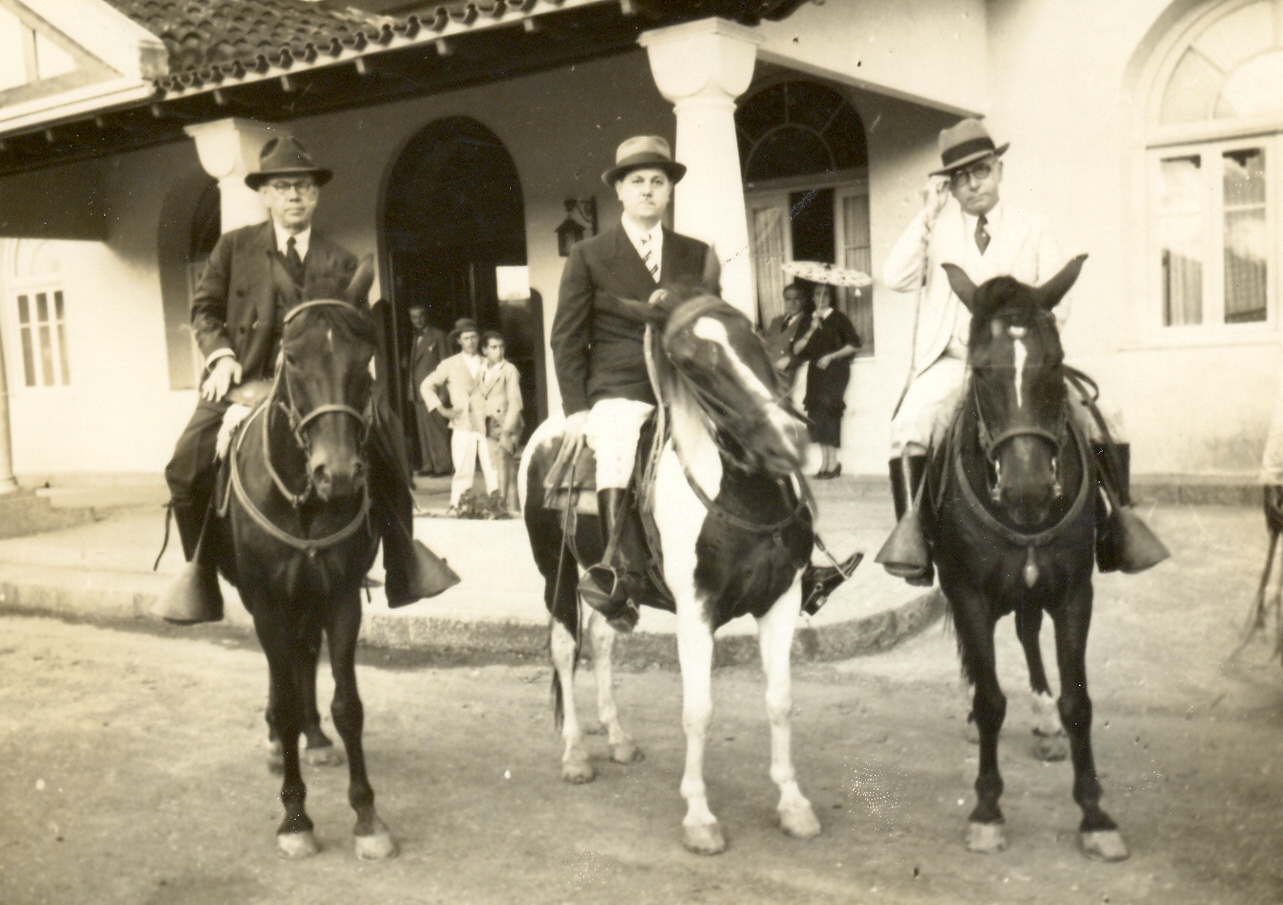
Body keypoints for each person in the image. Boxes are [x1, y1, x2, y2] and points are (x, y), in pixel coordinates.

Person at [161, 134, 448, 618]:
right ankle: (202, 572)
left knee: (389, 442)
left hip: (319, 390)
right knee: (186, 467)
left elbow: (355, 329)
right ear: (266, 195)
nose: (294, 195)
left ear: (316, 195)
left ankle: (402, 563)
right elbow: (205, 310)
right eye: (283, 186)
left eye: (304, 187)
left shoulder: (339, 262)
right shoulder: (233, 249)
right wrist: (222, 356)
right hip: (243, 385)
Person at [879, 118, 1161, 584]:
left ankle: (1118, 526)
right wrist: (926, 215)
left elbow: (1058, 299)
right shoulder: (937, 231)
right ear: (948, 187)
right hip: (955, 362)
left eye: (982, 171)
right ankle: (915, 539)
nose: (973, 185)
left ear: (999, 171)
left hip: (1026, 361)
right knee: (908, 425)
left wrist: (1029, 348)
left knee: (1106, 415)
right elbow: (895, 278)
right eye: (960, 178)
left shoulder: (1034, 227)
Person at [550, 135, 720, 631]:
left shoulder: (695, 253)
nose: (648, 190)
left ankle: (797, 557)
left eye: (658, 181)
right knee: (619, 445)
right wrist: (578, 408)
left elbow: (710, 324)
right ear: (619, 192)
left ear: (669, 193)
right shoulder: (588, 254)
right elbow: (566, 338)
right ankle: (615, 571)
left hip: (689, 385)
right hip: (622, 385)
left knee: (751, 431)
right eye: (637, 181)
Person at [420, 318, 498, 514]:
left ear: (479, 339)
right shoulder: (449, 364)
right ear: (458, 341)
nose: (470, 342)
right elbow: (426, 386)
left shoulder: (489, 361)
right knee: (463, 469)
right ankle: (459, 508)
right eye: (466, 338)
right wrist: (442, 409)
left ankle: (497, 505)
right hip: (462, 423)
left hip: (487, 423)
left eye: (473, 337)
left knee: (493, 468)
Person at [792, 282, 860, 478]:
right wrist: (811, 330)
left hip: (835, 370)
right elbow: (797, 349)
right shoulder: (808, 320)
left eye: (825, 294)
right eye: (817, 294)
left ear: (830, 298)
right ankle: (825, 464)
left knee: (829, 411)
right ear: (812, 298)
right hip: (816, 371)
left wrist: (832, 356)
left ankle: (833, 464)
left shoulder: (838, 318)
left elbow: (854, 345)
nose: (821, 297)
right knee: (816, 414)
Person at [474, 331, 524, 515]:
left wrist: (506, 431)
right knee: (496, 467)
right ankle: (504, 508)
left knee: (506, 466)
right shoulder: (482, 370)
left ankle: (510, 510)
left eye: (501, 346)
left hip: (506, 423)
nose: (499, 351)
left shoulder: (508, 370)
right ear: (485, 350)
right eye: (494, 347)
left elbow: (515, 403)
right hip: (490, 424)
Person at [406, 304, 452, 478]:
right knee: (424, 430)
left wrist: (444, 393)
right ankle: (428, 465)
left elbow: (446, 364)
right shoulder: (415, 337)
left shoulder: (438, 336)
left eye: (421, 316)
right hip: (419, 392)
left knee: (436, 427)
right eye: (414, 317)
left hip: (434, 391)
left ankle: (442, 466)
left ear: (427, 316)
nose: (418, 320)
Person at [763, 282, 812, 383]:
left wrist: (790, 359)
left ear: (804, 300)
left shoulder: (809, 323)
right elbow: (767, 345)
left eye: (796, 299)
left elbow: (809, 350)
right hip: (768, 371)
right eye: (788, 299)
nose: (792, 303)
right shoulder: (776, 321)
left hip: (787, 373)